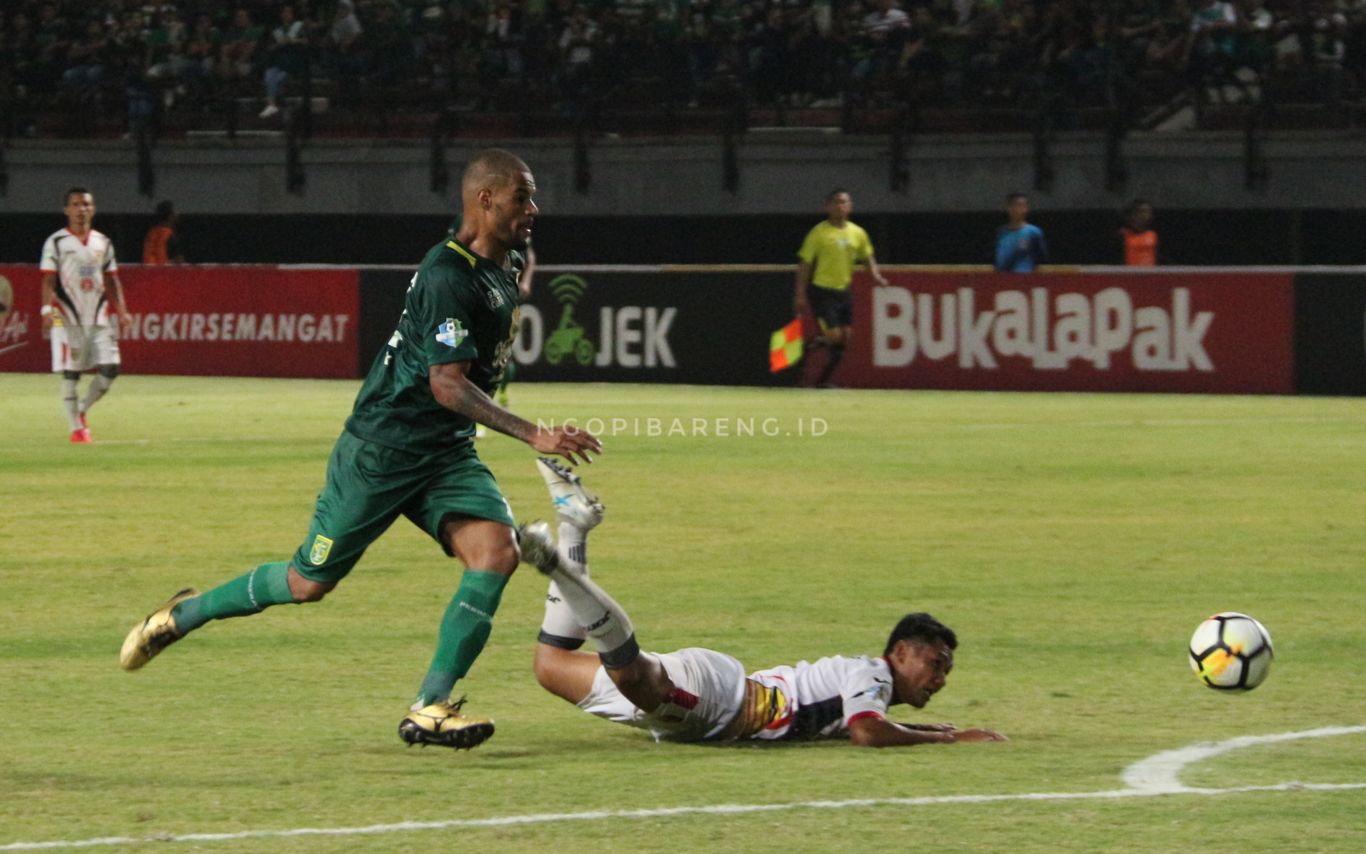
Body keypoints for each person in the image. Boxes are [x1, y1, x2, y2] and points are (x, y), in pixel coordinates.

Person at [118, 150, 603, 751]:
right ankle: (182, 615)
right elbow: (445, 382)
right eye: (522, 197)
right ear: (484, 199)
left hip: (444, 452)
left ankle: (430, 706)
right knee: (306, 582)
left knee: (497, 555)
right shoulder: (446, 274)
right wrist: (534, 432)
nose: (533, 209)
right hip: (383, 448)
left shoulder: (507, 262)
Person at [519, 461, 1006, 747]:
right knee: (636, 677)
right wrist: (944, 738)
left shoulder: (866, 685)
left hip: (720, 691)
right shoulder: (873, 675)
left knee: (550, 665)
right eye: (935, 662)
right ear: (899, 651)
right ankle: (557, 565)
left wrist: (914, 725)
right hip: (721, 704)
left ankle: (572, 528)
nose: (940, 678)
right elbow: (867, 732)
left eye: (946, 671)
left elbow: (853, 720)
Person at [39, 188, 131, 444]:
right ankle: (77, 430)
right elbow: (48, 279)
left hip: (99, 317)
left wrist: (122, 311)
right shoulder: (56, 242)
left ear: (94, 208)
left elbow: (112, 281)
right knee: (72, 372)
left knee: (111, 368)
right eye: (76, 204)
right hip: (66, 318)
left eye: (86, 204)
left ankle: (80, 409)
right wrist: (46, 310)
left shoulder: (103, 242)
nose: (82, 209)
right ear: (66, 210)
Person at [793, 188, 888, 388]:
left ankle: (822, 382)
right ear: (827, 206)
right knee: (834, 336)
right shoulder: (819, 232)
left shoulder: (858, 233)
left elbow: (867, 256)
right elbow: (805, 263)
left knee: (845, 340)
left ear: (850, 206)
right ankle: (807, 349)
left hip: (843, 292)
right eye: (836, 202)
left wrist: (875, 275)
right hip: (822, 290)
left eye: (844, 202)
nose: (840, 206)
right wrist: (800, 293)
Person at [994, 192, 1049, 273]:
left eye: (1021, 205)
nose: (1018, 209)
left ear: (1026, 208)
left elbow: (1042, 258)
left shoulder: (1034, 232)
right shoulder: (1000, 232)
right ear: (1008, 208)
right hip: (1003, 279)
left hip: (1025, 279)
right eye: (1015, 205)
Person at [1118, 198, 1159, 267]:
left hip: (1150, 274)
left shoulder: (1153, 235)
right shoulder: (1122, 235)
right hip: (1129, 275)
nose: (1145, 215)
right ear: (1133, 214)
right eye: (1142, 211)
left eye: (1148, 212)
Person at [142, 200, 184, 265]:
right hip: (163, 271)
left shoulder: (151, 232)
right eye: (175, 213)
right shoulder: (169, 235)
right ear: (170, 216)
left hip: (148, 271)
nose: (178, 214)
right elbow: (178, 260)